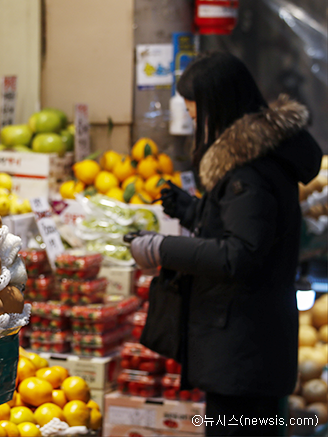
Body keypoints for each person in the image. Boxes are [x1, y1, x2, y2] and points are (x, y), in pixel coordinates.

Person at [128, 51, 323, 437]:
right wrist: (193, 211)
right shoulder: (260, 160)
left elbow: (240, 254)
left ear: (219, 108)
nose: (197, 124)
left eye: (198, 116)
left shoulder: (248, 172)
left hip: (244, 353)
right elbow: (248, 228)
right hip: (254, 345)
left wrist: (160, 248)